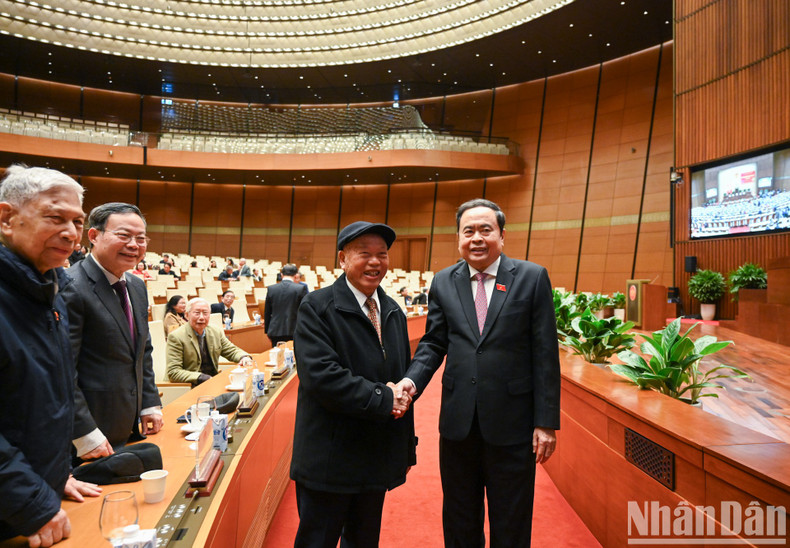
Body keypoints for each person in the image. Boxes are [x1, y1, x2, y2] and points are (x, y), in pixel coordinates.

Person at [395, 199, 561, 547]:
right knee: (459, 517)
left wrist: (546, 422)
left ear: (502, 235)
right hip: (458, 423)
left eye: (486, 229)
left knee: (511, 519)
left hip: (513, 423)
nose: (477, 238)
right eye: (468, 231)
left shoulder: (531, 278)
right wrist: (410, 382)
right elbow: (433, 343)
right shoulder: (443, 281)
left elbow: (545, 353)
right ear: (458, 239)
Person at [290, 221, 416, 548]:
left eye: (382, 255)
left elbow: (400, 374)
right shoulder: (316, 307)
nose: (375, 262)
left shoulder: (392, 311)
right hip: (330, 459)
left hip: (374, 457)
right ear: (343, 259)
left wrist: (400, 398)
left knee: (363, 542)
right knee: (317, 541)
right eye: (365, 254)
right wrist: (384, 398)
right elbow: (322, 377)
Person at [0, 165, 101, 546]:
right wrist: (31, 501)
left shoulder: (47, 291)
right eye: (55, 218)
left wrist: (55, 477)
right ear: (7, 218)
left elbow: (43, 401)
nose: (72, 234)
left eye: (77, 221)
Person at [62, 202, 164, 461]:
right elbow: (62, 371)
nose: (134, 245)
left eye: (141, 238)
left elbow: (143, 350)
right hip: (87, 440)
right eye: (124, 235)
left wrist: (149, 402)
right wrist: (84, 433)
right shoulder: (71, 287)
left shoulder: (136, 286)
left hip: (129, 429)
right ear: (93, 236)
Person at [166, 298, 253, 386]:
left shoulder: (215, 331)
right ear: (187, 315)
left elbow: (231, 350)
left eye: (205, 313)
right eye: (197, 313)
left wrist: (244, 357)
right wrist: (201, 377)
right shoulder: (176, 336)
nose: (201, 317)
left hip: (212, 382)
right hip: (190, 386)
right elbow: (173, 372)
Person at [263, 263, 308, 346]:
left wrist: (267, 331)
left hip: (275, 330)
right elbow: (304, 312)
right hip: (294, 330)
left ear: (281, 274)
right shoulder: (300, 289)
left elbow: (267, 312)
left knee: (277, 357)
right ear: (295, 275)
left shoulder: (271, 289)